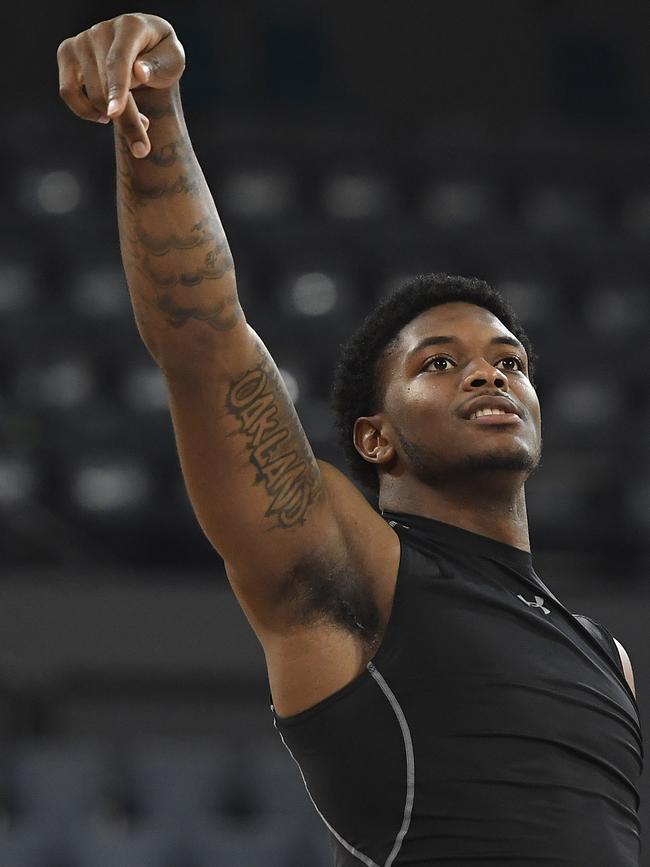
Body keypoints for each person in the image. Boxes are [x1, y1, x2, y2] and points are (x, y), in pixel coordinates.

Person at [57, 14, 642, 866]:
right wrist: (155, 118)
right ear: (375, 437)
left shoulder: (607, 655)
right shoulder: (356, 567)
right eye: (440, 363)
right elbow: (206, 341)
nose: (490, 376)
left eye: (510, 362)